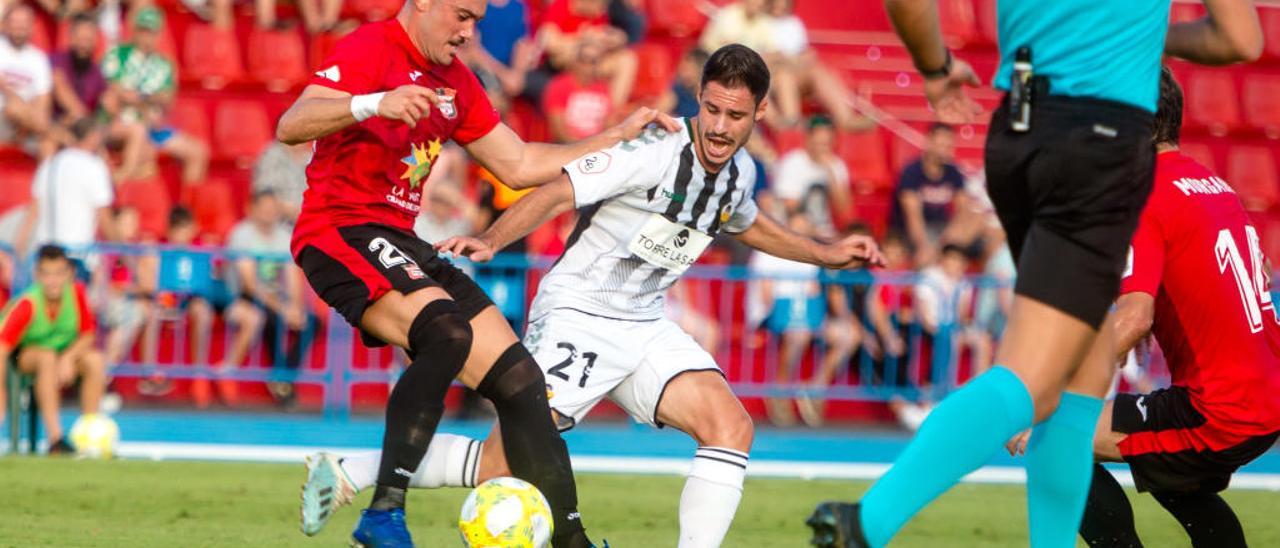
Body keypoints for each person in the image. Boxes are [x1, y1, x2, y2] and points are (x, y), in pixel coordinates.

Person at [303, 44, 883, 548]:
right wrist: (491, 237)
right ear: (698, 99)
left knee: (730, 427)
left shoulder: (741, 175)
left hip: (645, 324)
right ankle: (352, 469)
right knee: (504, 466)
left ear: (760, 114)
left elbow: (745, 222)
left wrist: (827, 252)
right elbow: (560, 189)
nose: (719, 127)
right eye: (710, 109)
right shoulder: (655, 150)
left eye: (735, 116)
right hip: (577, 316)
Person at [808, 0, 1265, 547]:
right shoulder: (1204, 187)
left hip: (1019, 132)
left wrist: (933, 67)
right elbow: (1241, 41)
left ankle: (875, 523)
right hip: (1100, 138)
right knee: (1042, 386)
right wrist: (1142, 40)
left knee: (1078, 374)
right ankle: (869, 523)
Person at [274, 0, 679, 543]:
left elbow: (519, 164)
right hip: (339, 231)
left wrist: (614, 138)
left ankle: (572, 541)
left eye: (477, 21)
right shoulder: (371, 47)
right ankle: (383, 514)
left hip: (400, 239)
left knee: (523, 382)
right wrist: (375, 103)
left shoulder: (459, 84)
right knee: (445, 329)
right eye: (462, 16)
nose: (469, 32)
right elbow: (291, 124)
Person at [1011, 68, 1280, 548]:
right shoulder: (1213, 184)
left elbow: (1136, 317)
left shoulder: (1143, 193)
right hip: (1264, 397)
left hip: (1221, 408)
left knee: (1054, 440)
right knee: (1170, 473)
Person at [0, 244, 107, 454]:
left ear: (70, 274)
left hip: (63, 355)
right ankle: (56, 439)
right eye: (47, 274)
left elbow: (88, 334)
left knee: (94, 360)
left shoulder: (77, 294)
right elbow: (2, 349)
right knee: (47, 358)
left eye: (59, 273)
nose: (53, 281)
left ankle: (89, 434)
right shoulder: (27, 304)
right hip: (25, 358)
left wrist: (68, 357)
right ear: (37, 275)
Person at [223, 191, 312, 408]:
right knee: (272, 318)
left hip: (274, 296)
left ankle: (282, 376)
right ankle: (282, 378)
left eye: (273, 208)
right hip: (241, 296)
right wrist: (283, 309)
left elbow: (292, 277)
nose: (269, 213)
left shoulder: (283, 235)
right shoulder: (241, 234)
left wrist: (295, 307)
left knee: (310, 321)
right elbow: (249, 284)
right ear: (252, 209)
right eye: (264, 208)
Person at [101, 6, 208, 186]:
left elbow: (167, 100)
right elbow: (113, 91)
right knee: (142, 146)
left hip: (153, 126)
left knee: (198, 152)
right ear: (134, 31)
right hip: (121, 123)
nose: (147, 37)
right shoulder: (117, 55)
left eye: (151, 32)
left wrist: (140, 99)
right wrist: (148, 99)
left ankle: (185, 208)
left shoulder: (164, 65)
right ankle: (123, 185)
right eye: (143, 31)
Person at [13, 117, 112, 258]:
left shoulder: (50, 164)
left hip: (46, 255)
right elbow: (104, 216)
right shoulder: (94, 166)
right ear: (93, 137)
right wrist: (125, 255)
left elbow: (33, 211)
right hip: (77, 255)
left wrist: (19, 246)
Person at [887, 123, 965, 265]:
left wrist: (941, 243)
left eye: (948, 146)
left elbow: (963, 209)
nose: (945, 150)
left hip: (942, 232)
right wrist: (923, 246)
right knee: (926, 250)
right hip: (909, 232)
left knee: (979, 220)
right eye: (941, 145)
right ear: (929, 142)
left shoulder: (953, 172)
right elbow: (913, 217)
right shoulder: (911, 172)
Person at [771, 115, 852, 239]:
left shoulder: (837, 165)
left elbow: (843, 207)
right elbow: (790, 206)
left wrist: (830, 171)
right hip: (794, 228)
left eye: (827, 143)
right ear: (808, 139)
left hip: (824, 230)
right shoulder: (793, 162)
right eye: (819, 142)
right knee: (799, 225)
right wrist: (814, 231)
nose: (823, 147)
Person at [0, 4, 52, 151]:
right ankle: (65, 137)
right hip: (2, 117)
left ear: (31, 26)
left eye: (24, 23)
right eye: (15, 22)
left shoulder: (39, 58)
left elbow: (43, 101)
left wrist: (30, 120)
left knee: (48, 144)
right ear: (5, 24)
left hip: (29, 124)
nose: (20, 27)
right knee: (13, 108)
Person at [543, 37, 614, 143]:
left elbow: (609, 123)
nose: (588, 66)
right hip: (567, 147)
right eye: (584, 59)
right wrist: (582, 147)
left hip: (597, 148)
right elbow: (559, 130)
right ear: (575, 60)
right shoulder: (558, 86)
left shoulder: (602, 88)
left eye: (593, 61)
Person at [49, 13, 106, 123]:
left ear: (95, 41)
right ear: (71, 38)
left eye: (88, 40)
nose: (83, 46)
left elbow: (107, 99)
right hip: (56, 124)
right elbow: (60, 88)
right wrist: (83, 116)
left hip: (85, 127)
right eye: (80, 39)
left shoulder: (96, 73)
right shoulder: (56, 61)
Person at [252, 140, 313, 224]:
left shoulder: (311, 157)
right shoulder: (272, 156)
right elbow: (263, 193)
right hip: (277, 221)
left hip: (308, 217)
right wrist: (287, 209)